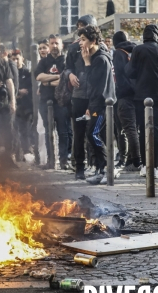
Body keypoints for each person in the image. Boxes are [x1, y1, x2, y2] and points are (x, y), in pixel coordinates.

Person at [126, 24, 158, 179]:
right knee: (157, 131)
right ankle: (155, 166)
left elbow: (130, 72)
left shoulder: (137, 50)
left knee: (143, 130)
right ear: (157, 36)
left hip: (140, 96)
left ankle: (144, 165)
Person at [78, 25, 116, 185]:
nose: (80, 43)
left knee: (94, 134)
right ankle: (102, 169)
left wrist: (87, 63)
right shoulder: (96, 58)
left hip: (102, 105)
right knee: (92, 134)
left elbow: (94, 83)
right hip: (95, 105)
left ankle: (107, 168)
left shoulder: (100, 59)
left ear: (93, 41)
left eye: (83, 39)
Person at [65, 15, 98, 180]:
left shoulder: (101, 49)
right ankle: (79, 166)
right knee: (78, 132)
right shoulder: (72, 49)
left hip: (94, 97)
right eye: (78, 26)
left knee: (93, 131)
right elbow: (67, 69)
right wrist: (70, 75)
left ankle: (96, 165)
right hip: (78, 96)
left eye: (83, 26)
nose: (80, 29)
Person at [35, 39, 69, 169]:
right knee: (48, 130)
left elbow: (65, 80)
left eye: (57, 43)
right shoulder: (44, 62)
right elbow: (38, 77)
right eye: (52, 43)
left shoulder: (66, 61)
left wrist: (47, 80)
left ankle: (64, 161)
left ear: (62, 45)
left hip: (61, 100)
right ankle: (51, 160)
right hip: (46, 100)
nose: (54, 46)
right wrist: (56, 78)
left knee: (63, 131)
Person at [112, 31, 140, 171]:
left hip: (124, 95)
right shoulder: (136, 50)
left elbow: (119, 74)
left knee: (127, 129)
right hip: (138, 95)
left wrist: (121, 91)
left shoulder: (118, 53)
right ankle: (132, 158)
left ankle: (135, 160)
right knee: (135, 128)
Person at [11, 50, 34, 161]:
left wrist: (25, 92)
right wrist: (17, 93)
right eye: (13, 59)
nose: (15, 61)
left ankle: (26, 152)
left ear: (22, 59)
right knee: (13, 130)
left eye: (17, 58)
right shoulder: (10, 72)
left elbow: (31, 87)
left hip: (25, 106)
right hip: (13, 105)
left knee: (25, 130)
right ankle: (15, 153)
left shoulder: (27, 72)